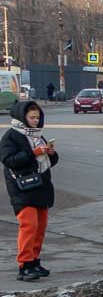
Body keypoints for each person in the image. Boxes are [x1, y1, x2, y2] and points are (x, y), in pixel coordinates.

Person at [1, 101, 59, 281]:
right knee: (29, 226)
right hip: (22, 188)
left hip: (41, 186)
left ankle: (34, 261)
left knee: (40, 227)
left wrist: (50, 153)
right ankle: (24, 265)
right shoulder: (11, 136)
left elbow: (52, 161)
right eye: (31, 117)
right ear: (22, 117)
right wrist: (34, 152)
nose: (35, 121)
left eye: (37, 117)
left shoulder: (37, 135)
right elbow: (9, 160)